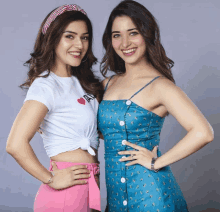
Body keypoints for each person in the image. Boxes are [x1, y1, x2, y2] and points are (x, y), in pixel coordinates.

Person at [97, 1, 214, 211]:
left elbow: (203, 132)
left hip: (152, 197)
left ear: (146, 34)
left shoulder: (160, 86)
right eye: (117, 35)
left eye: (133, 33)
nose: (125, 43)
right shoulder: (107, 85)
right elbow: (103, 132)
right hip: (115, 199)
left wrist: (155, 162)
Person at [6, 4, 103, 212]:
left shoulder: (84, 83)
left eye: (85, 37)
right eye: (70, 36)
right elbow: (15, 144)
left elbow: (101, 131)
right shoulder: (46, 85)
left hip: (91, 187)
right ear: (52, 39)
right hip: (66, 194)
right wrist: (50, 179)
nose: (79, 44)